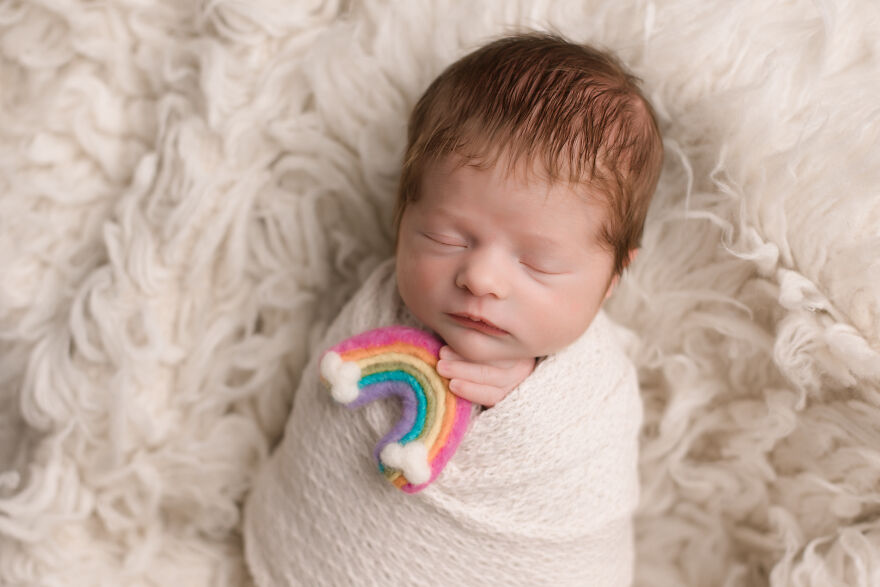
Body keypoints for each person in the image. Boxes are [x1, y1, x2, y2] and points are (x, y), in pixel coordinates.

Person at [244, 32, 663, 586]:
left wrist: (525, 406)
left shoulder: (594, 400)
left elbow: (581, 499)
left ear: (614, 276)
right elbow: (324, 437)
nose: (482, 278)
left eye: (537, 263)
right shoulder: (375, 315)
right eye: (446, 237)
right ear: (403, 215)